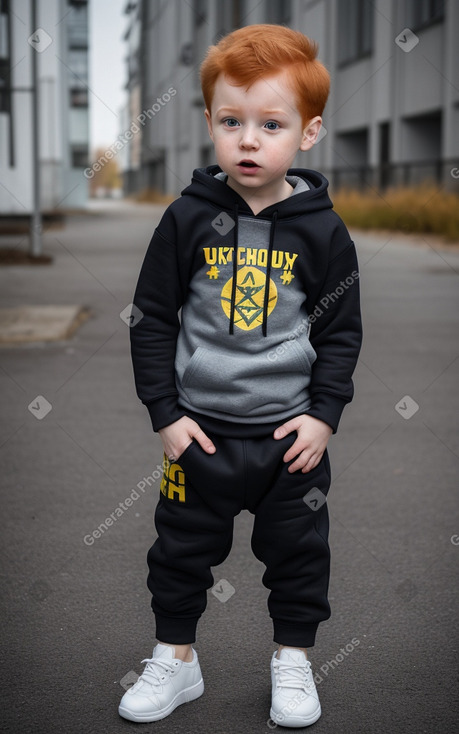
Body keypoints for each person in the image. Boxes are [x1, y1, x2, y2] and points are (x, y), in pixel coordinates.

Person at [119, 23, 362, 728]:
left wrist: (322, 416)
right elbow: (153, 320)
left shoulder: (323, 232)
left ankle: (292, 660)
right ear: (209, 125)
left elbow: (339, 332)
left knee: (298, 557)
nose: (248, 139)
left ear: (307, 134)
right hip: (199, 436)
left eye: (270, 124)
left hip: (290, 441)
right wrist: (164, 412)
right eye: (232, 122)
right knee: (178, 554)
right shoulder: (186, 220)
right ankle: (176, 662)